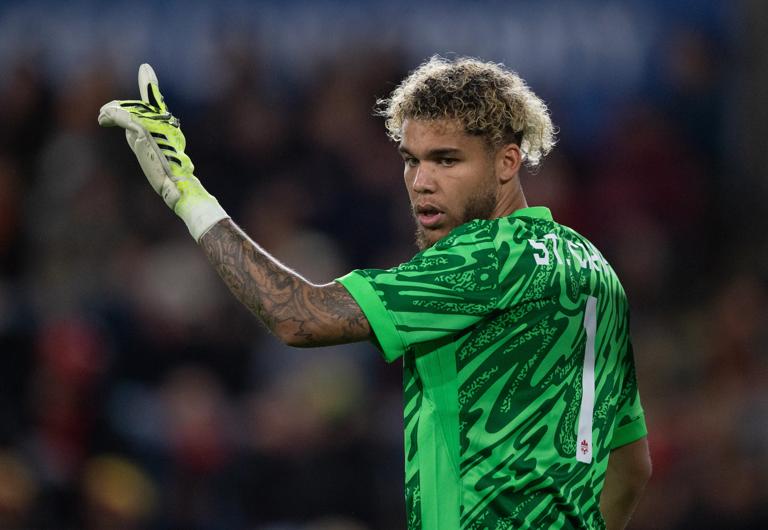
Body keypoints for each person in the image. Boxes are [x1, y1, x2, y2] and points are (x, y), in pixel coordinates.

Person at [98, 56, 651, 530]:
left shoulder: (487, 258)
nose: (421, 181)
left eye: (447, 160)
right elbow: (630, 466)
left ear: (509, 161)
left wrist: (186, 193)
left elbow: (299, 317)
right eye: (412, 159)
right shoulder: (593, 267)